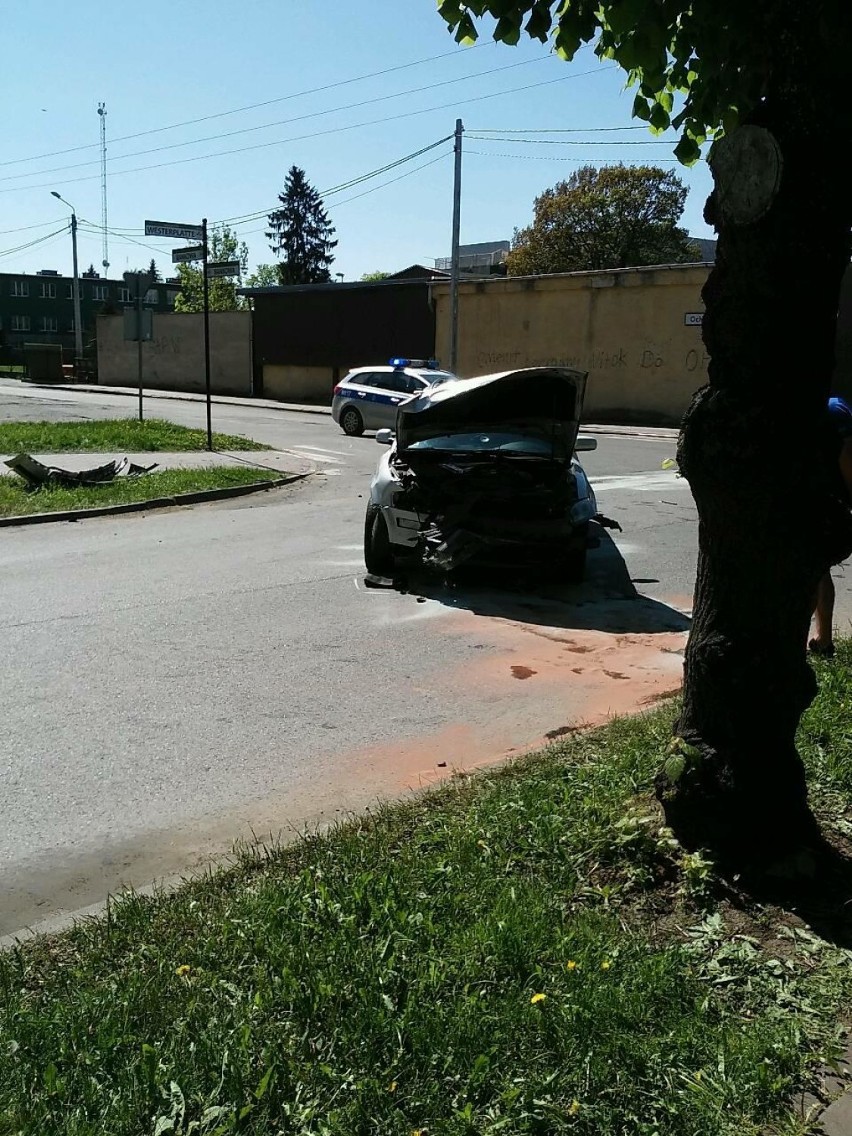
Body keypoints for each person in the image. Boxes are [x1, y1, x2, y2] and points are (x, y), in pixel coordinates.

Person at [809, 395, 852, 656]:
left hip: (810, 499)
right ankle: (823, 639)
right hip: (828, 499)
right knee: (818, 570)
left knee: (815, 570)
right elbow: (847, 454)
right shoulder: (836, 406)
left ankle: (822, 640)